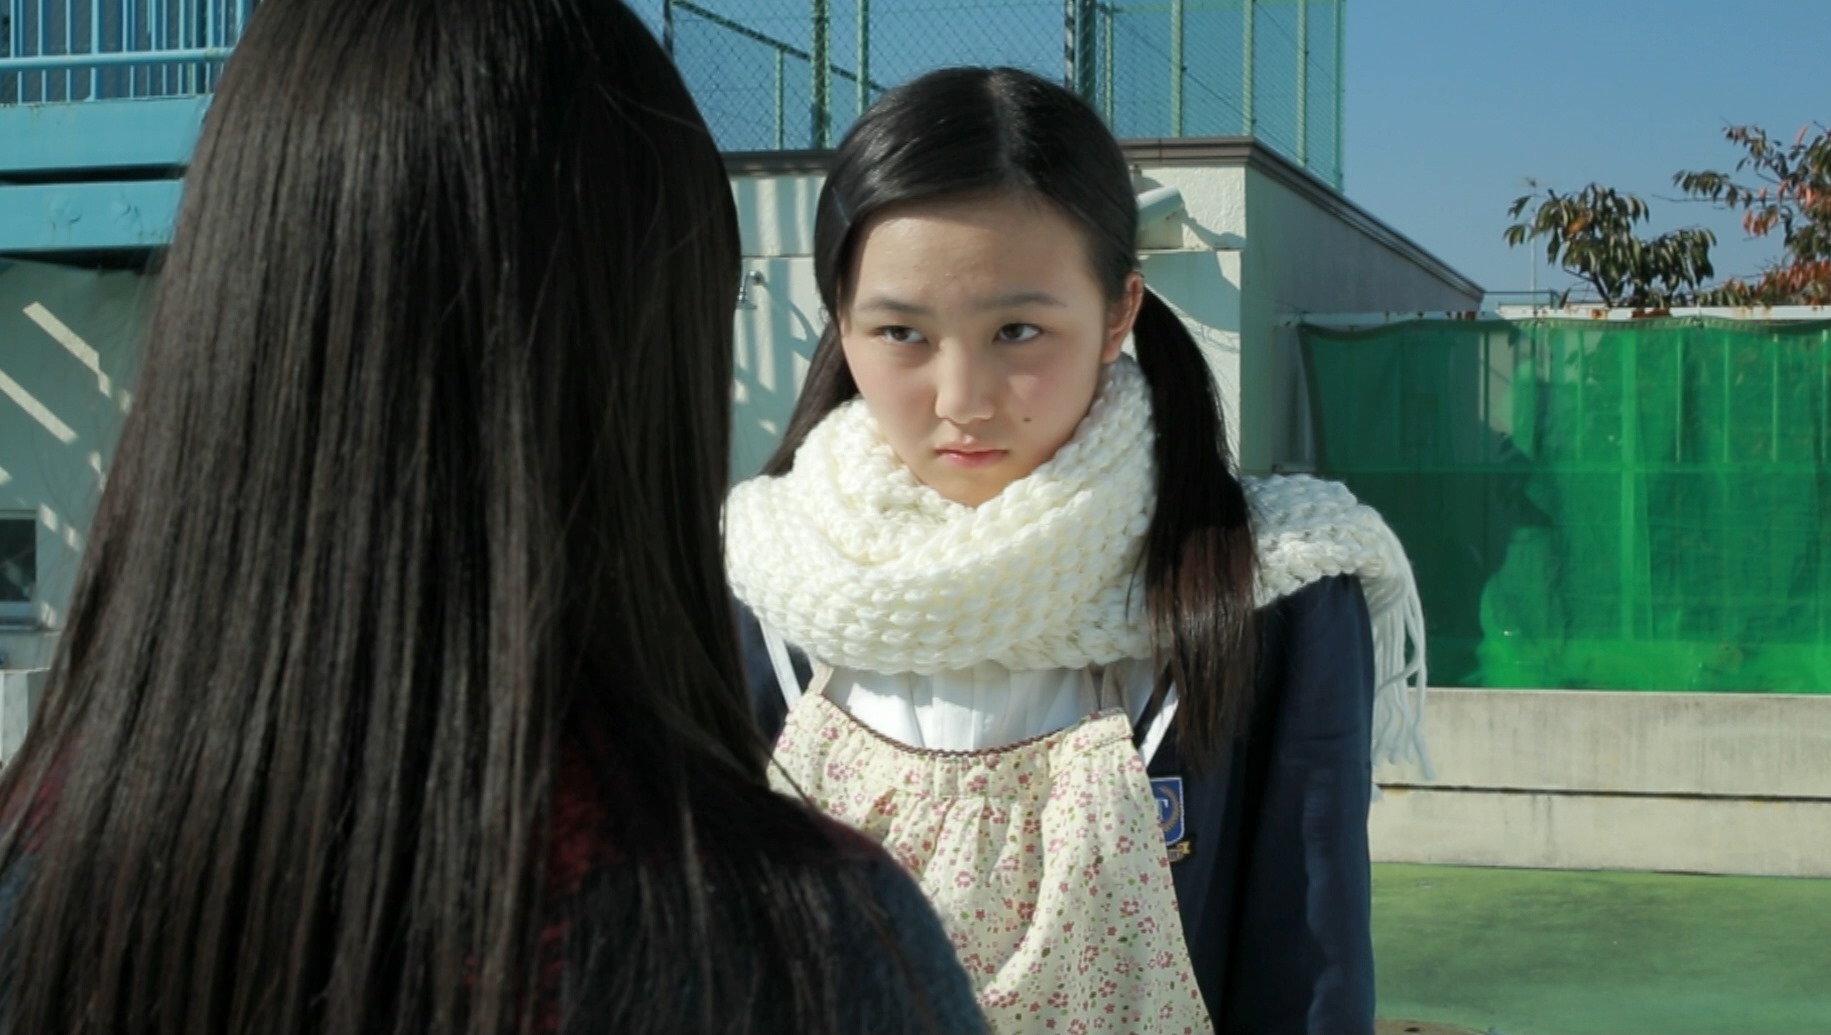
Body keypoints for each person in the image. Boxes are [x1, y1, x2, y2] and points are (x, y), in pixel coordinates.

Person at [0, 2, 988, 1033]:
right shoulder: (811, 948)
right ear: (660, 367)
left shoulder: (40, 887)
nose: (963, 400)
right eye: (900, 331)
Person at [727, 66, 1430, 1035]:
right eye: (901, 332)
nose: (962, 399)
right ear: (839, 323)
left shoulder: (1274, 583)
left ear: (1119, 312)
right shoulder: (762, 583)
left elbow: (1308, 981)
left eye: (1018, 330)